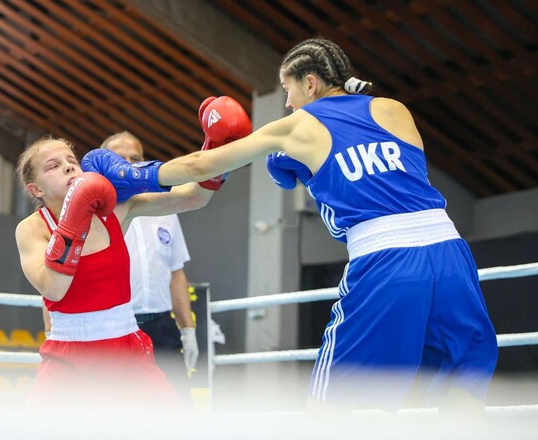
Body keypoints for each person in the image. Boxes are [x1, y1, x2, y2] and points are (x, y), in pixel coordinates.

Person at [154, 38, 498, 414]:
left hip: (387, 261)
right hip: (451, 254)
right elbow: (394, 178)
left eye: (288, 89)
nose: (286, 102)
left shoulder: (296, 126)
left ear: (311, 83)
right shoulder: (393, 108)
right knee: (461, 378)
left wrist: (134, 176)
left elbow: (200, 167)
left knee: (331, 400)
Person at [14, 97, 251, 408]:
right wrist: (75, 215)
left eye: (71, 159)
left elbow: (194, 198)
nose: (68, 165)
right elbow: (54, 289)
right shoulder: (32, 228)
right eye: (53, 165)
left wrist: (218, 149)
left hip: (126, 346)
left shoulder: (115, 210)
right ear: (36, 190)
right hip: (69, 355)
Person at [102, 131, 198, 400]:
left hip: (162, 329)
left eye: (136, 158)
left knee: (177, 412)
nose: (129, 165)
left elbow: (176, 274)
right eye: (120, 159)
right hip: (115, 328)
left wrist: (187, 329)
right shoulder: (94, 210)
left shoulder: (165, 209)